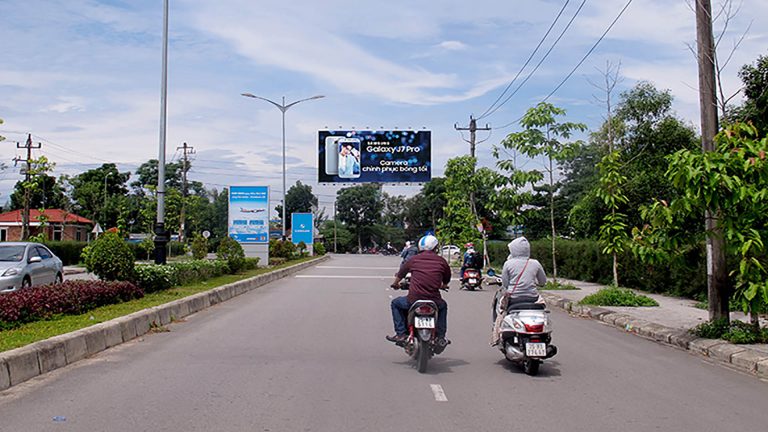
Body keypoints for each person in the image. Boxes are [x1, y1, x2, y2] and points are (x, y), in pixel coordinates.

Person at [387, 235, 451, 346]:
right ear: (436, 248)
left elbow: (401, 273)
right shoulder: (441, 261)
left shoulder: (413, 260)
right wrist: (444, 285)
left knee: (395, 303)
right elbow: (447, 277)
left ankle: (401, 333)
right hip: (434, 300)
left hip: (413, 300)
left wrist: (395, 283)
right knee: (443, 306)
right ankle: (440, 337)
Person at [491, 236, 547, 345]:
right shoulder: (535, 263)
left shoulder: (508, 264)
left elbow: (505, 284)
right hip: (533, 298)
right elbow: (542, 282)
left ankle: (497, 334)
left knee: (500, 311)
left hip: (514, 299)